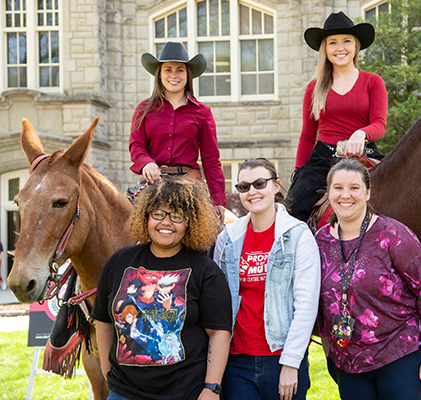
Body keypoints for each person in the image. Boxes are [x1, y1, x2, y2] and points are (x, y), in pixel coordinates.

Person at [315, 159, 421, 400]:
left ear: (368, 193)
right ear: (329, 193)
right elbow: (322, 303)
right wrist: (329, 354)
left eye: (354, 188)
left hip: (403, 356)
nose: (346, 195)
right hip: (349, 365)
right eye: (338, 188)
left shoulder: (393, 235)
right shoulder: (319, 241)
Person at [92, 178, 232, 400]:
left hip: (185, 392)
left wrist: (211, 388)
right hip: (124, 392)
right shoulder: (120, 261)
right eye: (158, 214)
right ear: (146, 217)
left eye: (176, 216)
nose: (166, 222)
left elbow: (219, 333)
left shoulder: (205, 271)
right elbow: (103, 319)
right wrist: (108, 371)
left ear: (190, 222)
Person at [213, 158, 320, 400]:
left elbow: (306, 304)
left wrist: (291, 363)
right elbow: (217, 302)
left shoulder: (297, 236)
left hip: (281, 358)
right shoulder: (227, 239)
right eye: (243, 187)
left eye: (260, 183)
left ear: (276, 186)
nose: (252, 192)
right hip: (237, 361)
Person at [288, 11, 388, 222]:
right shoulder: (314, 88)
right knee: (293, 210)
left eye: (346, 41)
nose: (340, 48)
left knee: (411, 194)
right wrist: (299, 173)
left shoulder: (373, 81)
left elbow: (379, 124)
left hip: (364, 153)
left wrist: (362, 133)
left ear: (356, 46)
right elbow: (307, 136)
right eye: (332, 42)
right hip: (323, 158)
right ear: (325, 48)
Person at [129, 41, 226, 219]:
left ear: (187, 74)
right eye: (168, 69)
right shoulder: (144, 109)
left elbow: (211, 159)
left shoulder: (202, 112)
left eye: (180, 69)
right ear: (159, 74)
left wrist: (218, 199)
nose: (174, 75)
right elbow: (136, 145)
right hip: (153, 183)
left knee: (206, 237)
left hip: (190, 185)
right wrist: (146, 163)